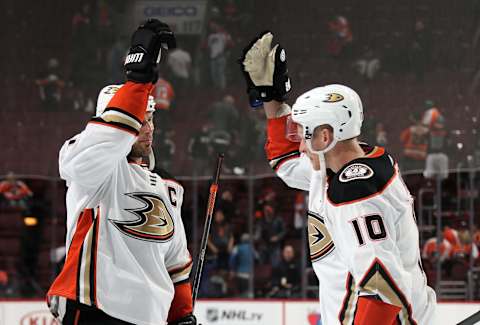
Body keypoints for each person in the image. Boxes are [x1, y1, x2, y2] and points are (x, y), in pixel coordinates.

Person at [240, 31, 436, 324]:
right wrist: (272, 98)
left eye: (304, 134)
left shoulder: (356, 192)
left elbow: (383, 291)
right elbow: (287, 162)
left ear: (326, 135)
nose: (300, 145)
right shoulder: (341, 166)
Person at [47, 20, 197, 325]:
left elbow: (175, 263)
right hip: (93, 307)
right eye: (141, 118)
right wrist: (139, 81)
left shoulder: (168, 187)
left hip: (149, 317)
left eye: (152, 118)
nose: (149, 128)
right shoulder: (90, 166)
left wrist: (181, 315)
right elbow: (106, 140)